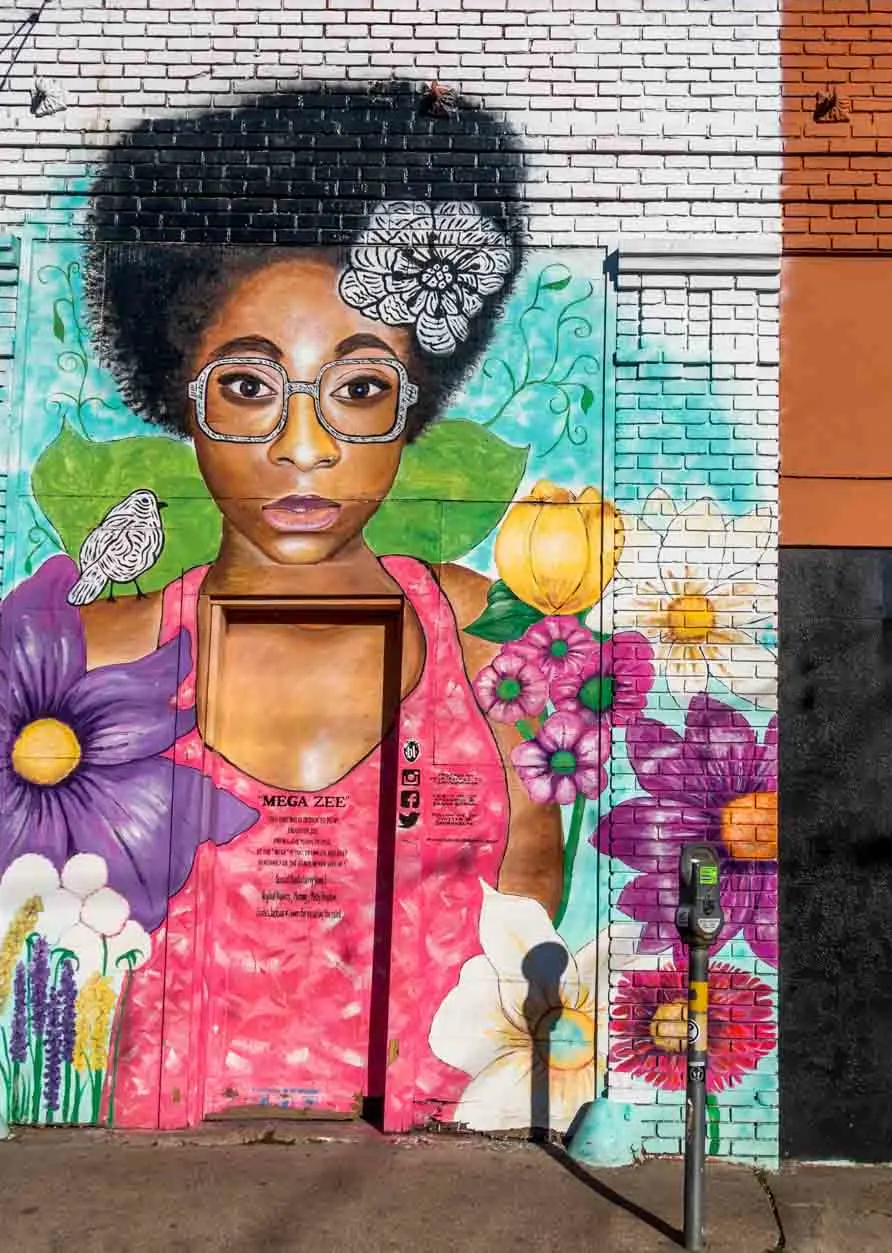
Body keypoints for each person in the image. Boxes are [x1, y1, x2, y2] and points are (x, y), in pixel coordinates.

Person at [72, 83, 564, 1129]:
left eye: (360, 389)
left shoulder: (490, 646)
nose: (305, 447)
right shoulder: (100, 652)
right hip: (148, 1134)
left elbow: (533, 906)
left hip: (439, 1125)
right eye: (248, 387)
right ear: (180, 401)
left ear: (411, 412)